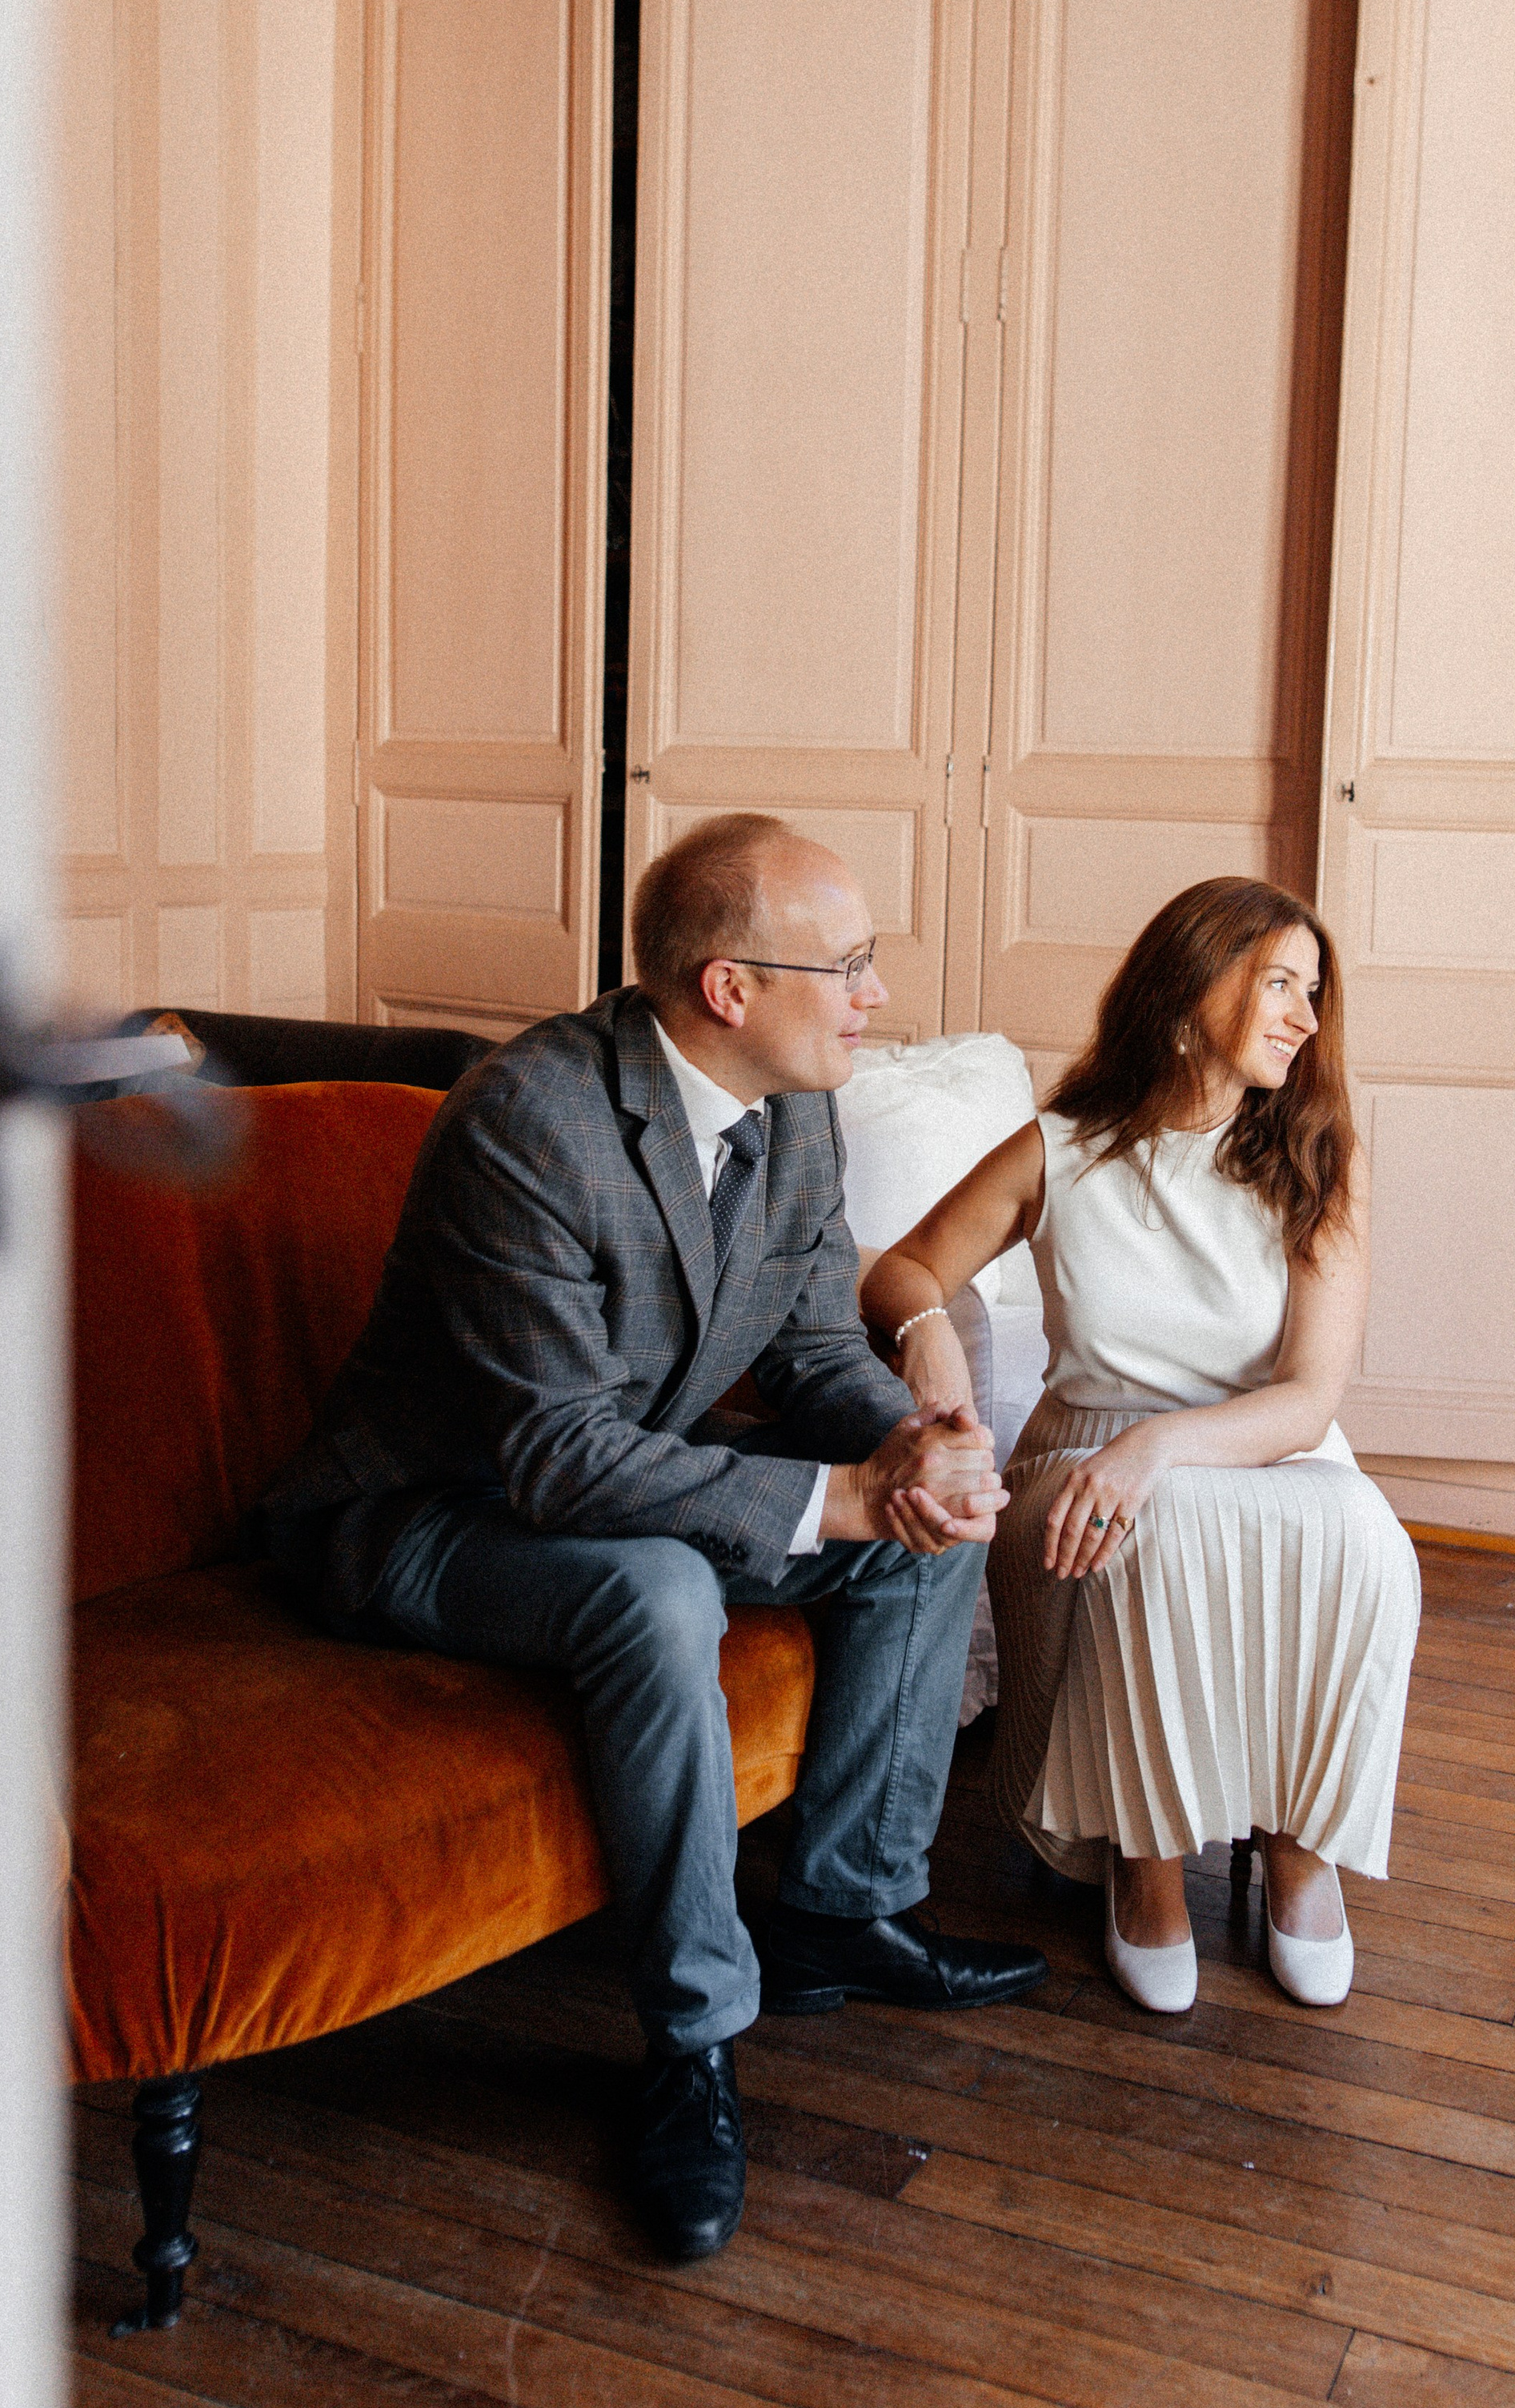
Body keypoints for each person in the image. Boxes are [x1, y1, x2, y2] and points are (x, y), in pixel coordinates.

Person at [259, 813, 1047, 2260]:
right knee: (661, 1596)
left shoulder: (792, 1099)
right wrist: (843, 1493)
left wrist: (904, 1450)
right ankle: (692, 2041)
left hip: (613, 1476)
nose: (876, 995)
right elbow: (554, 1454)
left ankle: (840, 1905)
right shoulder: (529, 1120)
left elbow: (812, 1335)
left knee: (919, 1529)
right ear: (731, 989)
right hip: (425, 1514)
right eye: (850, 965)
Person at [861, 877, 1419, 2016]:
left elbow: (1309, 1399)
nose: (1306, 1020)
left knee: (1368, 1537)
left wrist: (1161, 1448)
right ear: (1186, 989)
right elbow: (903, 1269)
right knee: (1138, 1534)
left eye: (1314, 994)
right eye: (1278, 986)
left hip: (1265, 1451)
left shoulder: (1319, 1157)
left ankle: (1299, 1840)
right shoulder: (1058, 1152)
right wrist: (934, 1350)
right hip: (1081, 1467)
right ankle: (1145, 1857)